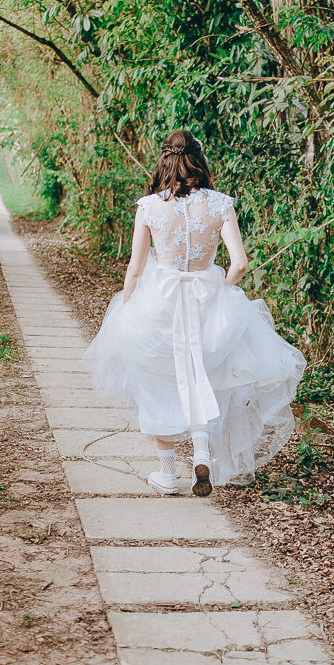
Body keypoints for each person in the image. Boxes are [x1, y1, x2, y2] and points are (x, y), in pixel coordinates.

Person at [84, 131, 305, 496]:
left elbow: (136, 270)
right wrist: (225, 293)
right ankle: (201, 450)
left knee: (159, 382)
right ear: (199, 161)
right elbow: (240, 264)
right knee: (204, 375)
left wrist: (126, 309)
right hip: (207, 300)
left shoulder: (149, 206)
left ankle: (167, 474)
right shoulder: (220, 204)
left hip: (160, 302)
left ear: (164, 161)